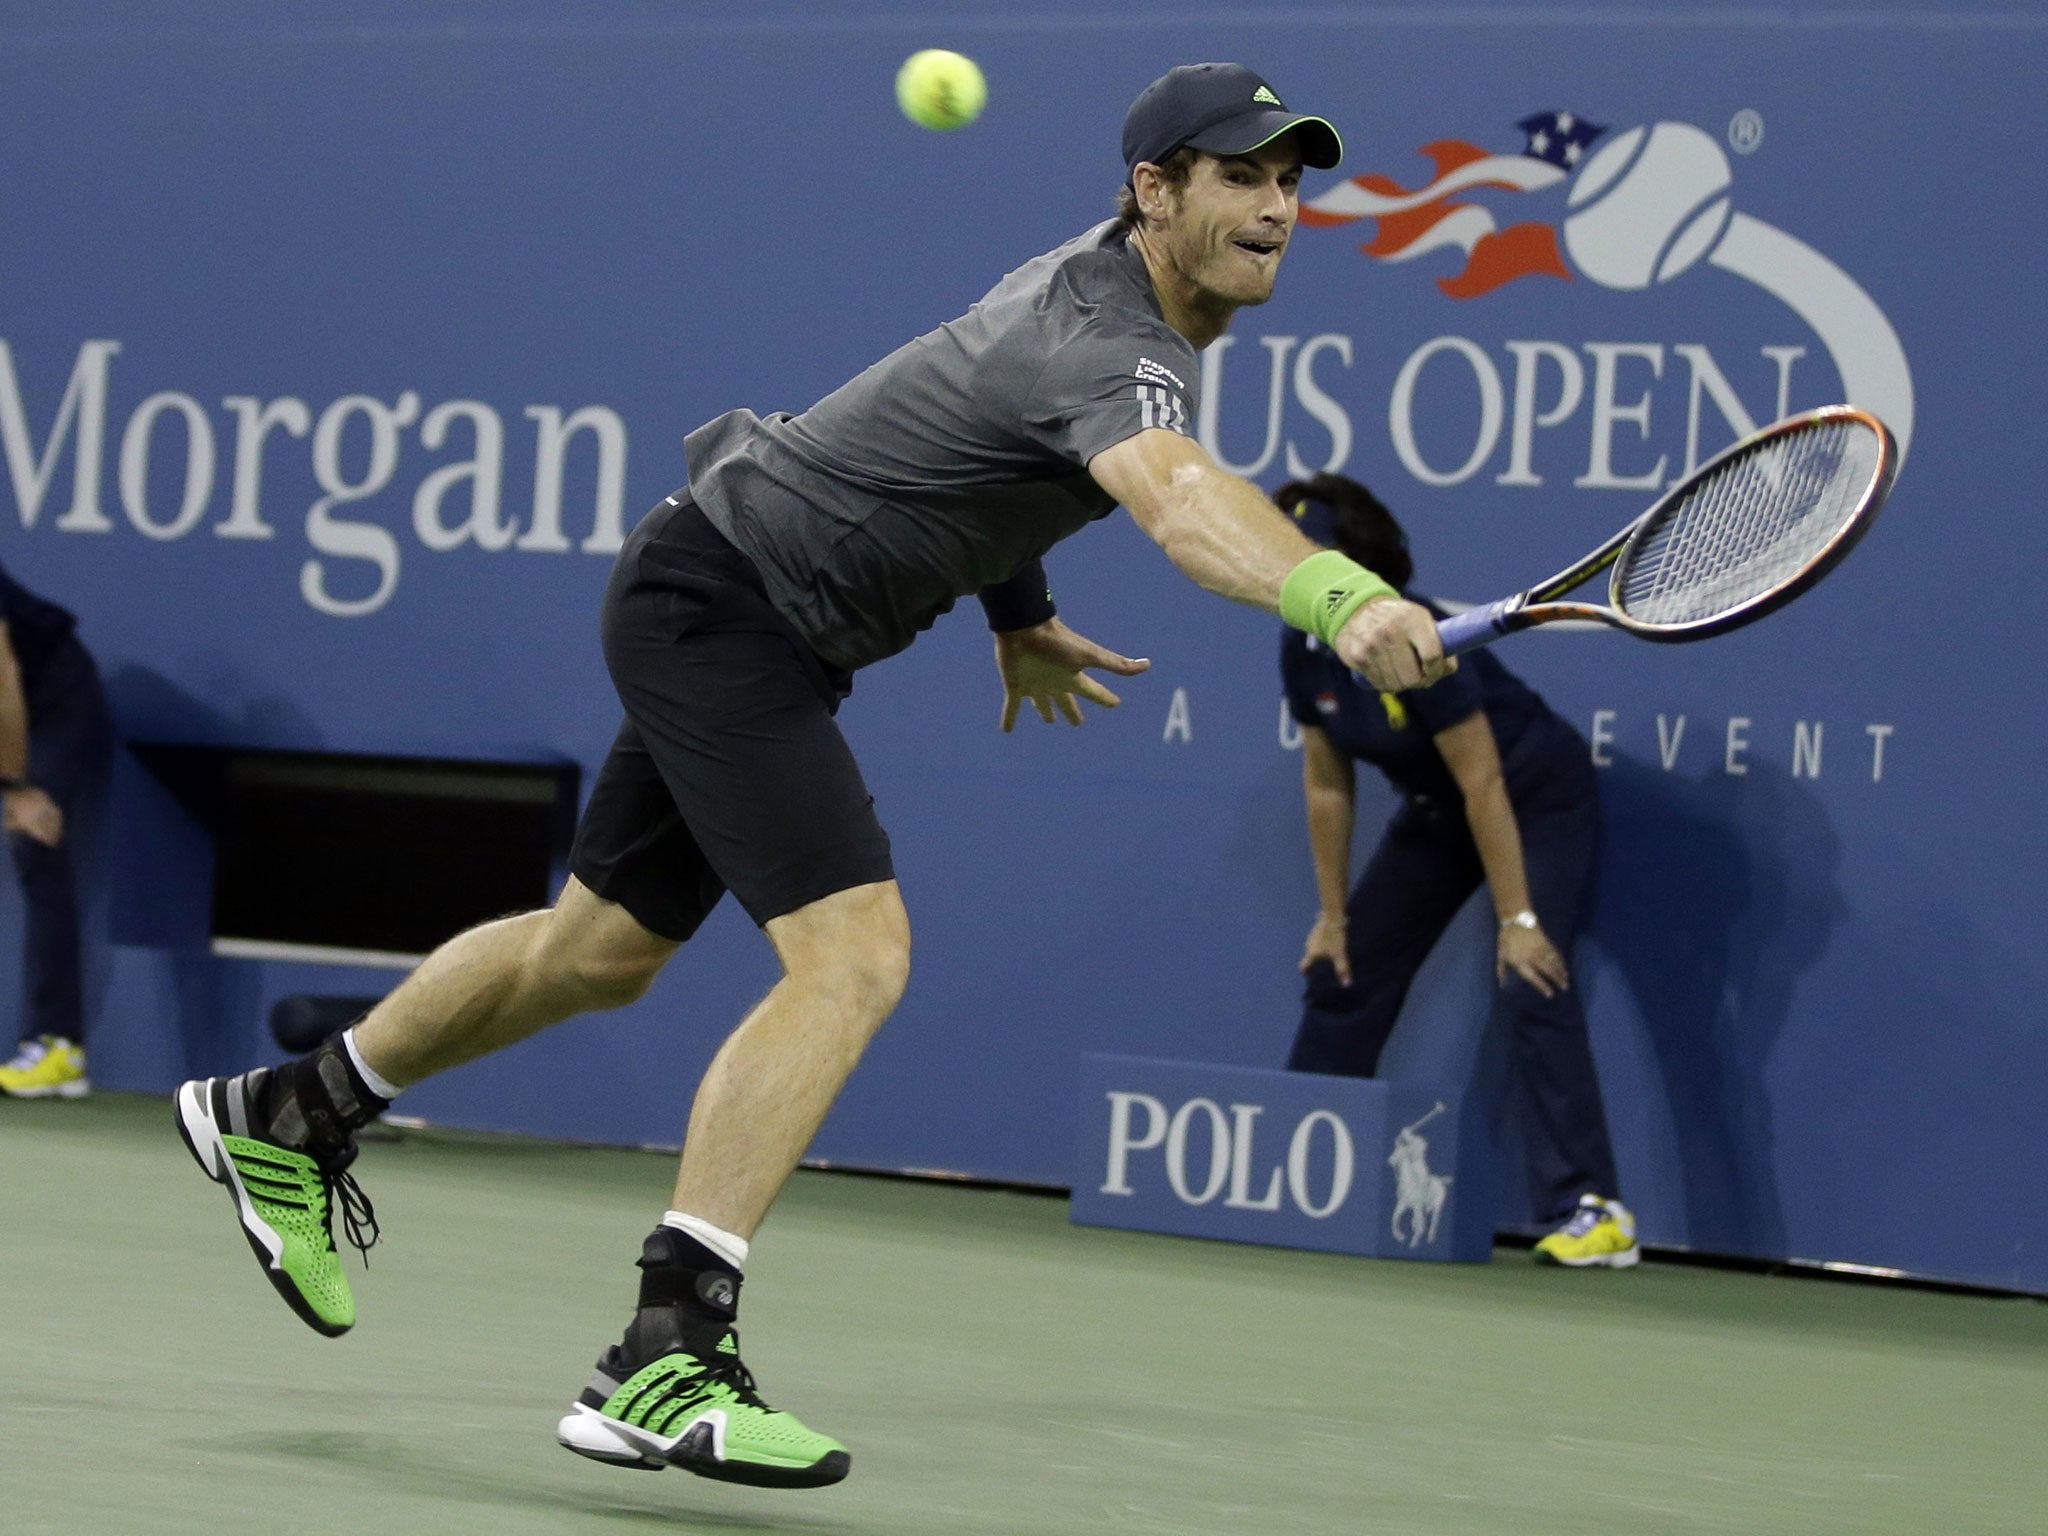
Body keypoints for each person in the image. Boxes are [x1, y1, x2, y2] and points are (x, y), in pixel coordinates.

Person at [174, 64, 1452, 1490]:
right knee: (853, 959)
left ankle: (291, 1112)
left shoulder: (1116, 306)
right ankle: (666, 1349)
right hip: (725, 608)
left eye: (1291, 181)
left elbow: (985, 447)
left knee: (597, 952)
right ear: (1153, 193)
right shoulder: (1111, 336)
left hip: (719, 591)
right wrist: (1341, 598)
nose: (1278, 208)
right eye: (1239, 177)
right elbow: (1173, 498)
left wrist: (1016, 609)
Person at [1276, 473, 1638, 1269]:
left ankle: (1592, 1208)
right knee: (1344, 969)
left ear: (1357, 563)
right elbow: (1328, 783)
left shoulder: (1420, 637)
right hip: (1438, 812)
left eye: (1316, 551)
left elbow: (1485, 781)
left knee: (1530, 976)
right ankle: (1293, 1176)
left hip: (1533, 792)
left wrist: (1518, 921)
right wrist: (1332, 915)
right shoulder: (1304, 646)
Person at [0, 560, 111, 1101]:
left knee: (33, 841)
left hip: (53, 700)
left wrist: (16, 787)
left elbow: (2, 672)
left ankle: (57, 1046)